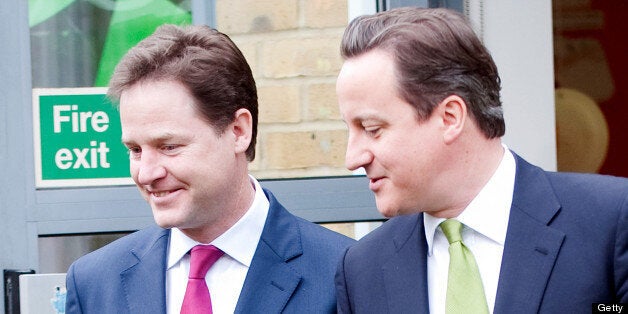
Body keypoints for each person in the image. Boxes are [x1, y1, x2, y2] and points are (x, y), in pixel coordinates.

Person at [334, 7, 627, 314]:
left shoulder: (611, 221)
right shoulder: (361, 271)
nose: (352, 158)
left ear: (450, 117)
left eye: (372, 129)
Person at [65, 24, 355, 313]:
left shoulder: (343, 275)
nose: (146, 174)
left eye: (169, 146)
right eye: (135, 150)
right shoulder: (94, 284)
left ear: (239, 131)